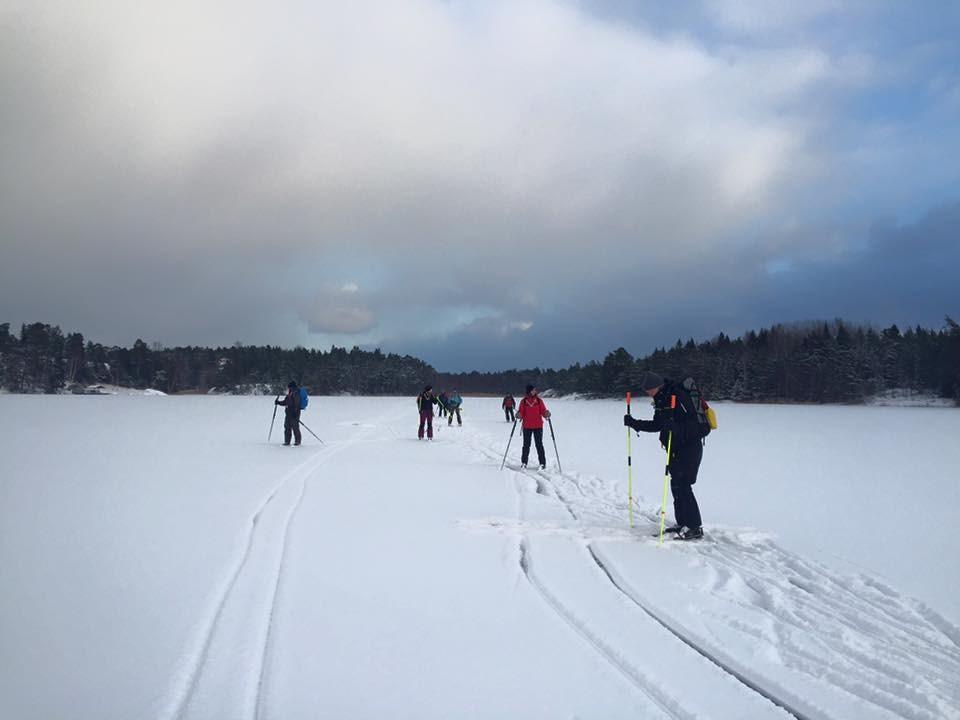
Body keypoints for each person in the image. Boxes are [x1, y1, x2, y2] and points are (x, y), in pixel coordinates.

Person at [624, 371, 704, 540]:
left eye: (649, 390)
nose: (648, 393)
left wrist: (676, 428)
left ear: (656, 386)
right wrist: (634, 423)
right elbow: (658, 425)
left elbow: (697, 427)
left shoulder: (679, 396)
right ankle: (682, 523)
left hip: (690, 447)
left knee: (684, 485)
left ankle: (695, 527)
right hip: (674, 447)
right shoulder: (662, 399)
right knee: (676, 484)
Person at [518, 384, 550, 469]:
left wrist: (546, 413)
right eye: (533, 390)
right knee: (526, 445)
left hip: (538, 426)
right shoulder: (524, 401)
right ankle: (524, 462)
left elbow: (543, 411)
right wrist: (518, 415)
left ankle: (542, 463)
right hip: (527, 426)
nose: (535, 391)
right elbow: (521, 412)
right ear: (529, 391)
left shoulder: (539, 400)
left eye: (535, 390)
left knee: (539, 445)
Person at [275, 380, 302, 446]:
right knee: (287, 427)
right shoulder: (290, 393)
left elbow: (297, 404)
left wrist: (295, 412)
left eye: (289, 387)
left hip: (294, 413)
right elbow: (286, 402)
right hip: (288, 413)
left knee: (295, 427)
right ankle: (287, 441)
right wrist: (278, 402)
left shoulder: (296, 393)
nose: (288, 388)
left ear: (292, 387)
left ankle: (297, 441)